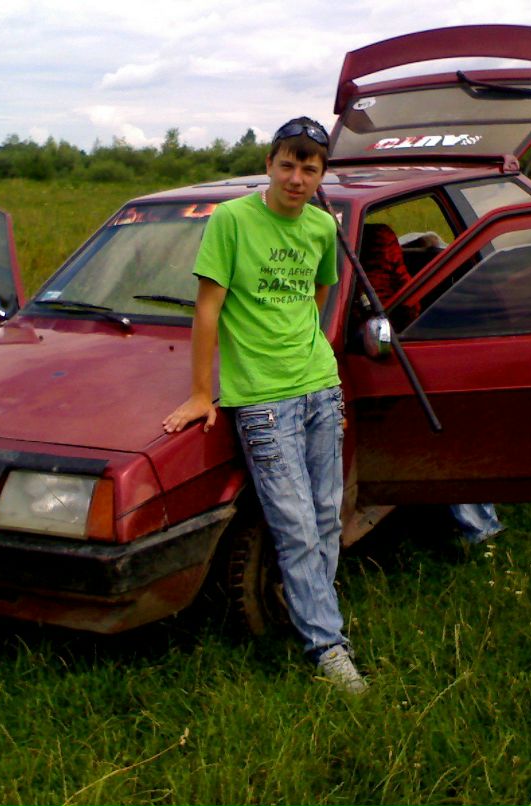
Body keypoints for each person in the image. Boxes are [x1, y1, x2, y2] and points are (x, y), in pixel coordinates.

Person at [162, 117, 365, 694]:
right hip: (263, 402)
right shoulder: (231, 220)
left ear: (322, 174)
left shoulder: (323, 228)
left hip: (320, 389)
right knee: (296, 526)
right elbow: (207, 310)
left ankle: (308, 608)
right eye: (287, 164)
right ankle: (328, 646)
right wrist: (203, 392)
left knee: (327, 516)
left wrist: (316, 354)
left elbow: (319, 295)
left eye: (310, 168)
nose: (297, 178)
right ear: (270, 164)